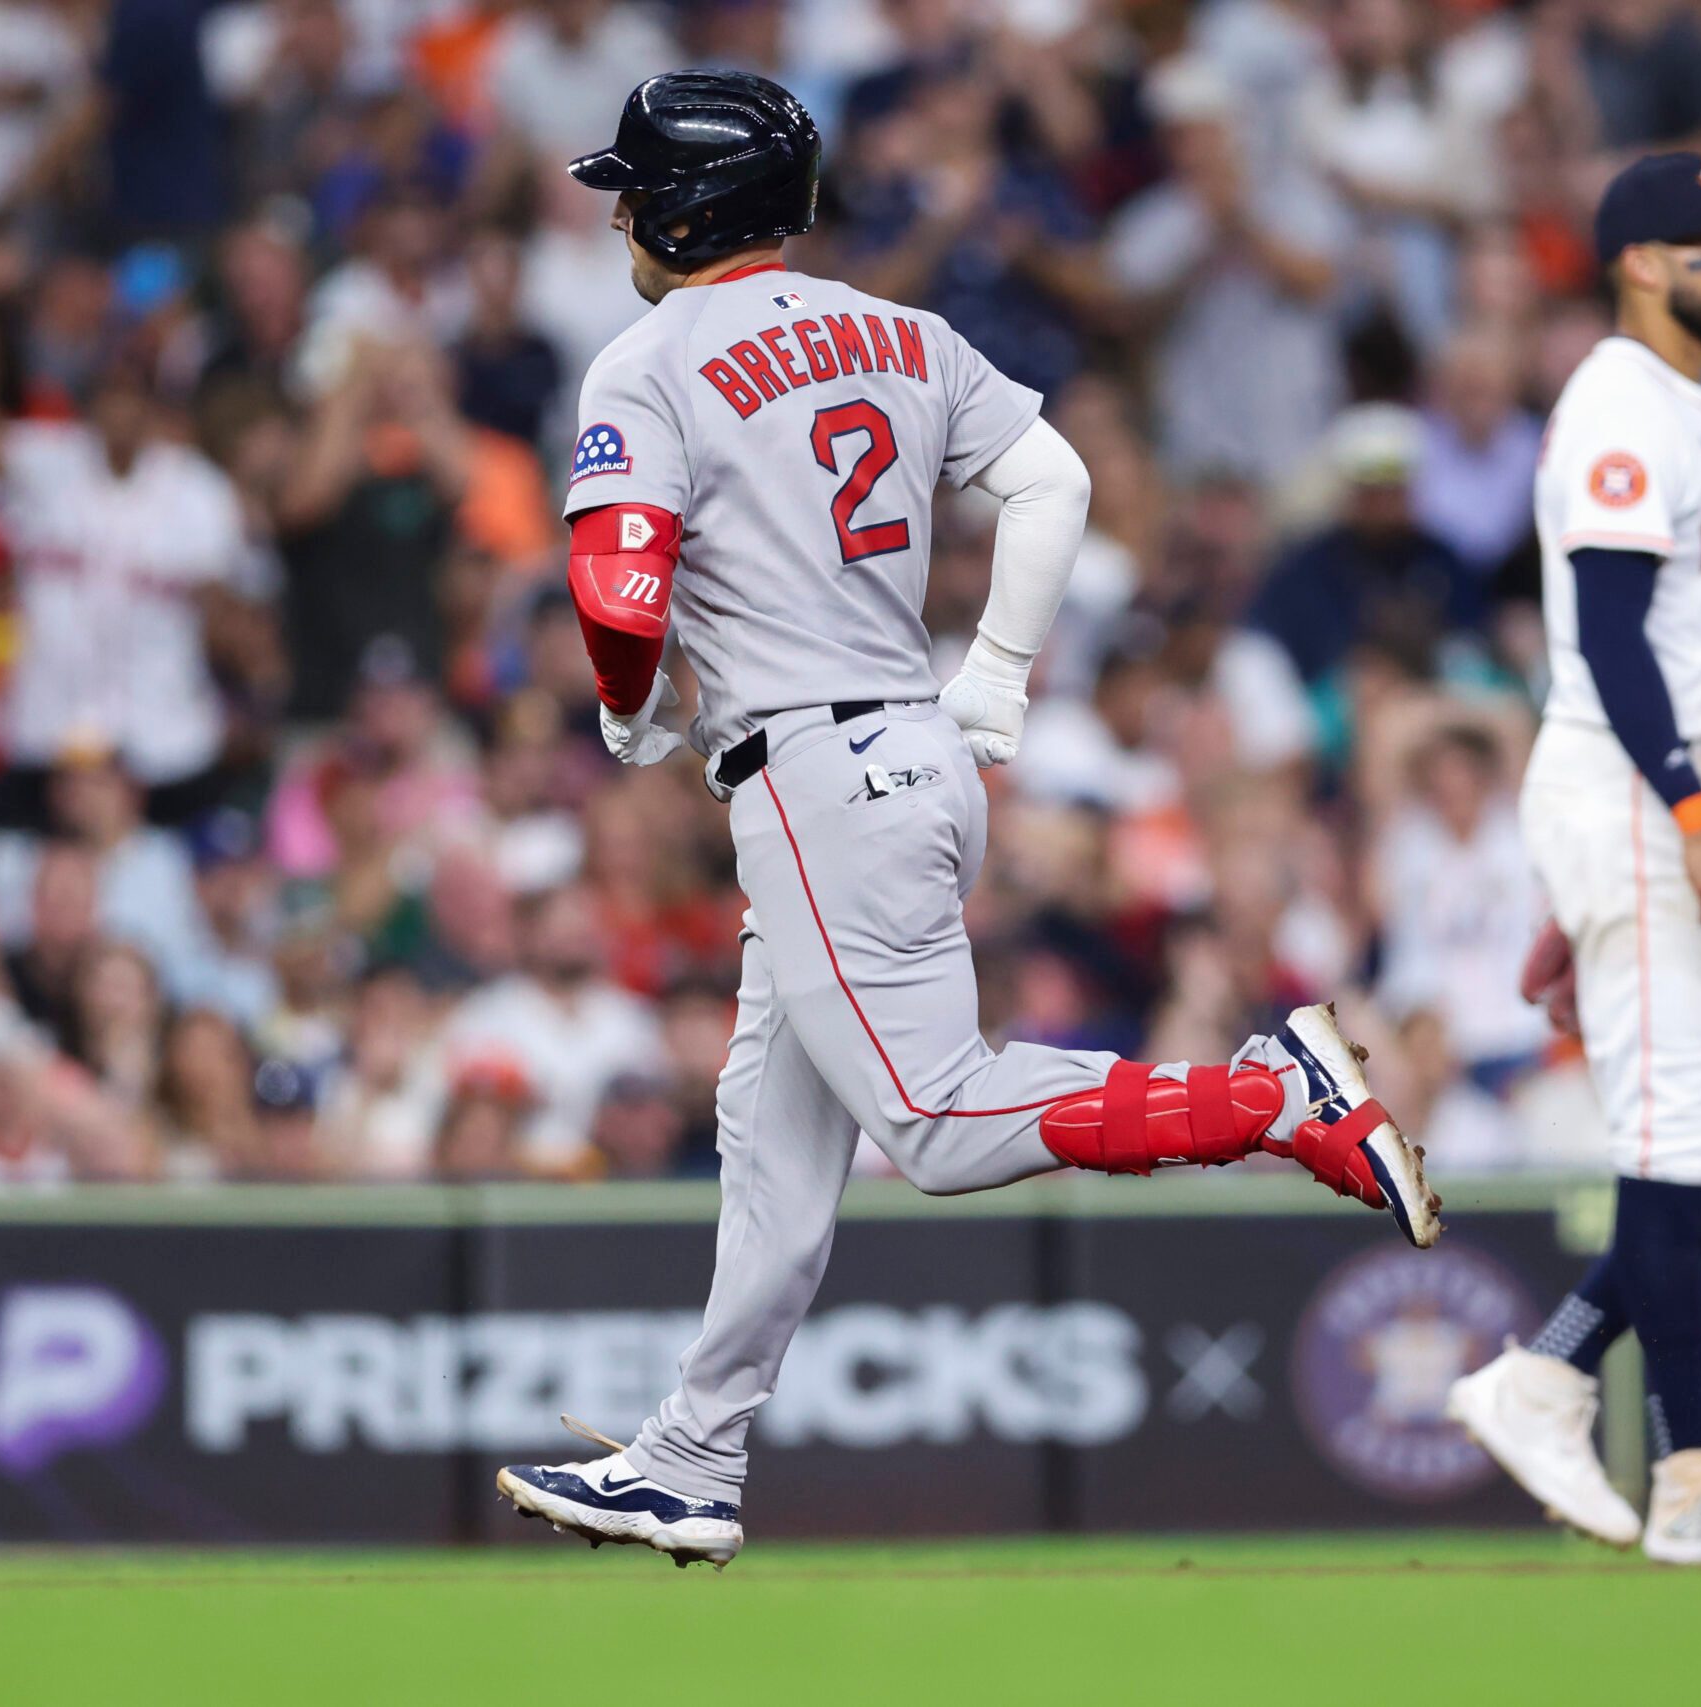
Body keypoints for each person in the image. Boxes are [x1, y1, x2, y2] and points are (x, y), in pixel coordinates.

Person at [494, 71, 1438, 1569]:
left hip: (813, 772)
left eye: (637, 185)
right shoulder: (902, 330)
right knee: (774, 1134)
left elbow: (618, 595)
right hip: (909, 741)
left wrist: (626, 708)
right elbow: (1054, 481)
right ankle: (692, 1453)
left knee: (930, 1122)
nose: (620, 209)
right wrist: (992, 676)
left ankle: (1269, 1099)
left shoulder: (646, 361)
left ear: (689, 203)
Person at [1444, 153, 1701, 1566]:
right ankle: (1696, 1474)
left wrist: (1635, 859)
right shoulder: (1619, 400)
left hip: (1682, 797)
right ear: (1635, 264)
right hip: (1651, 786)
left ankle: (1545, 1372)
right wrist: (1674, 818)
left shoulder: (1686, 403)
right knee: (1674, 1137)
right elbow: (1608, 640)